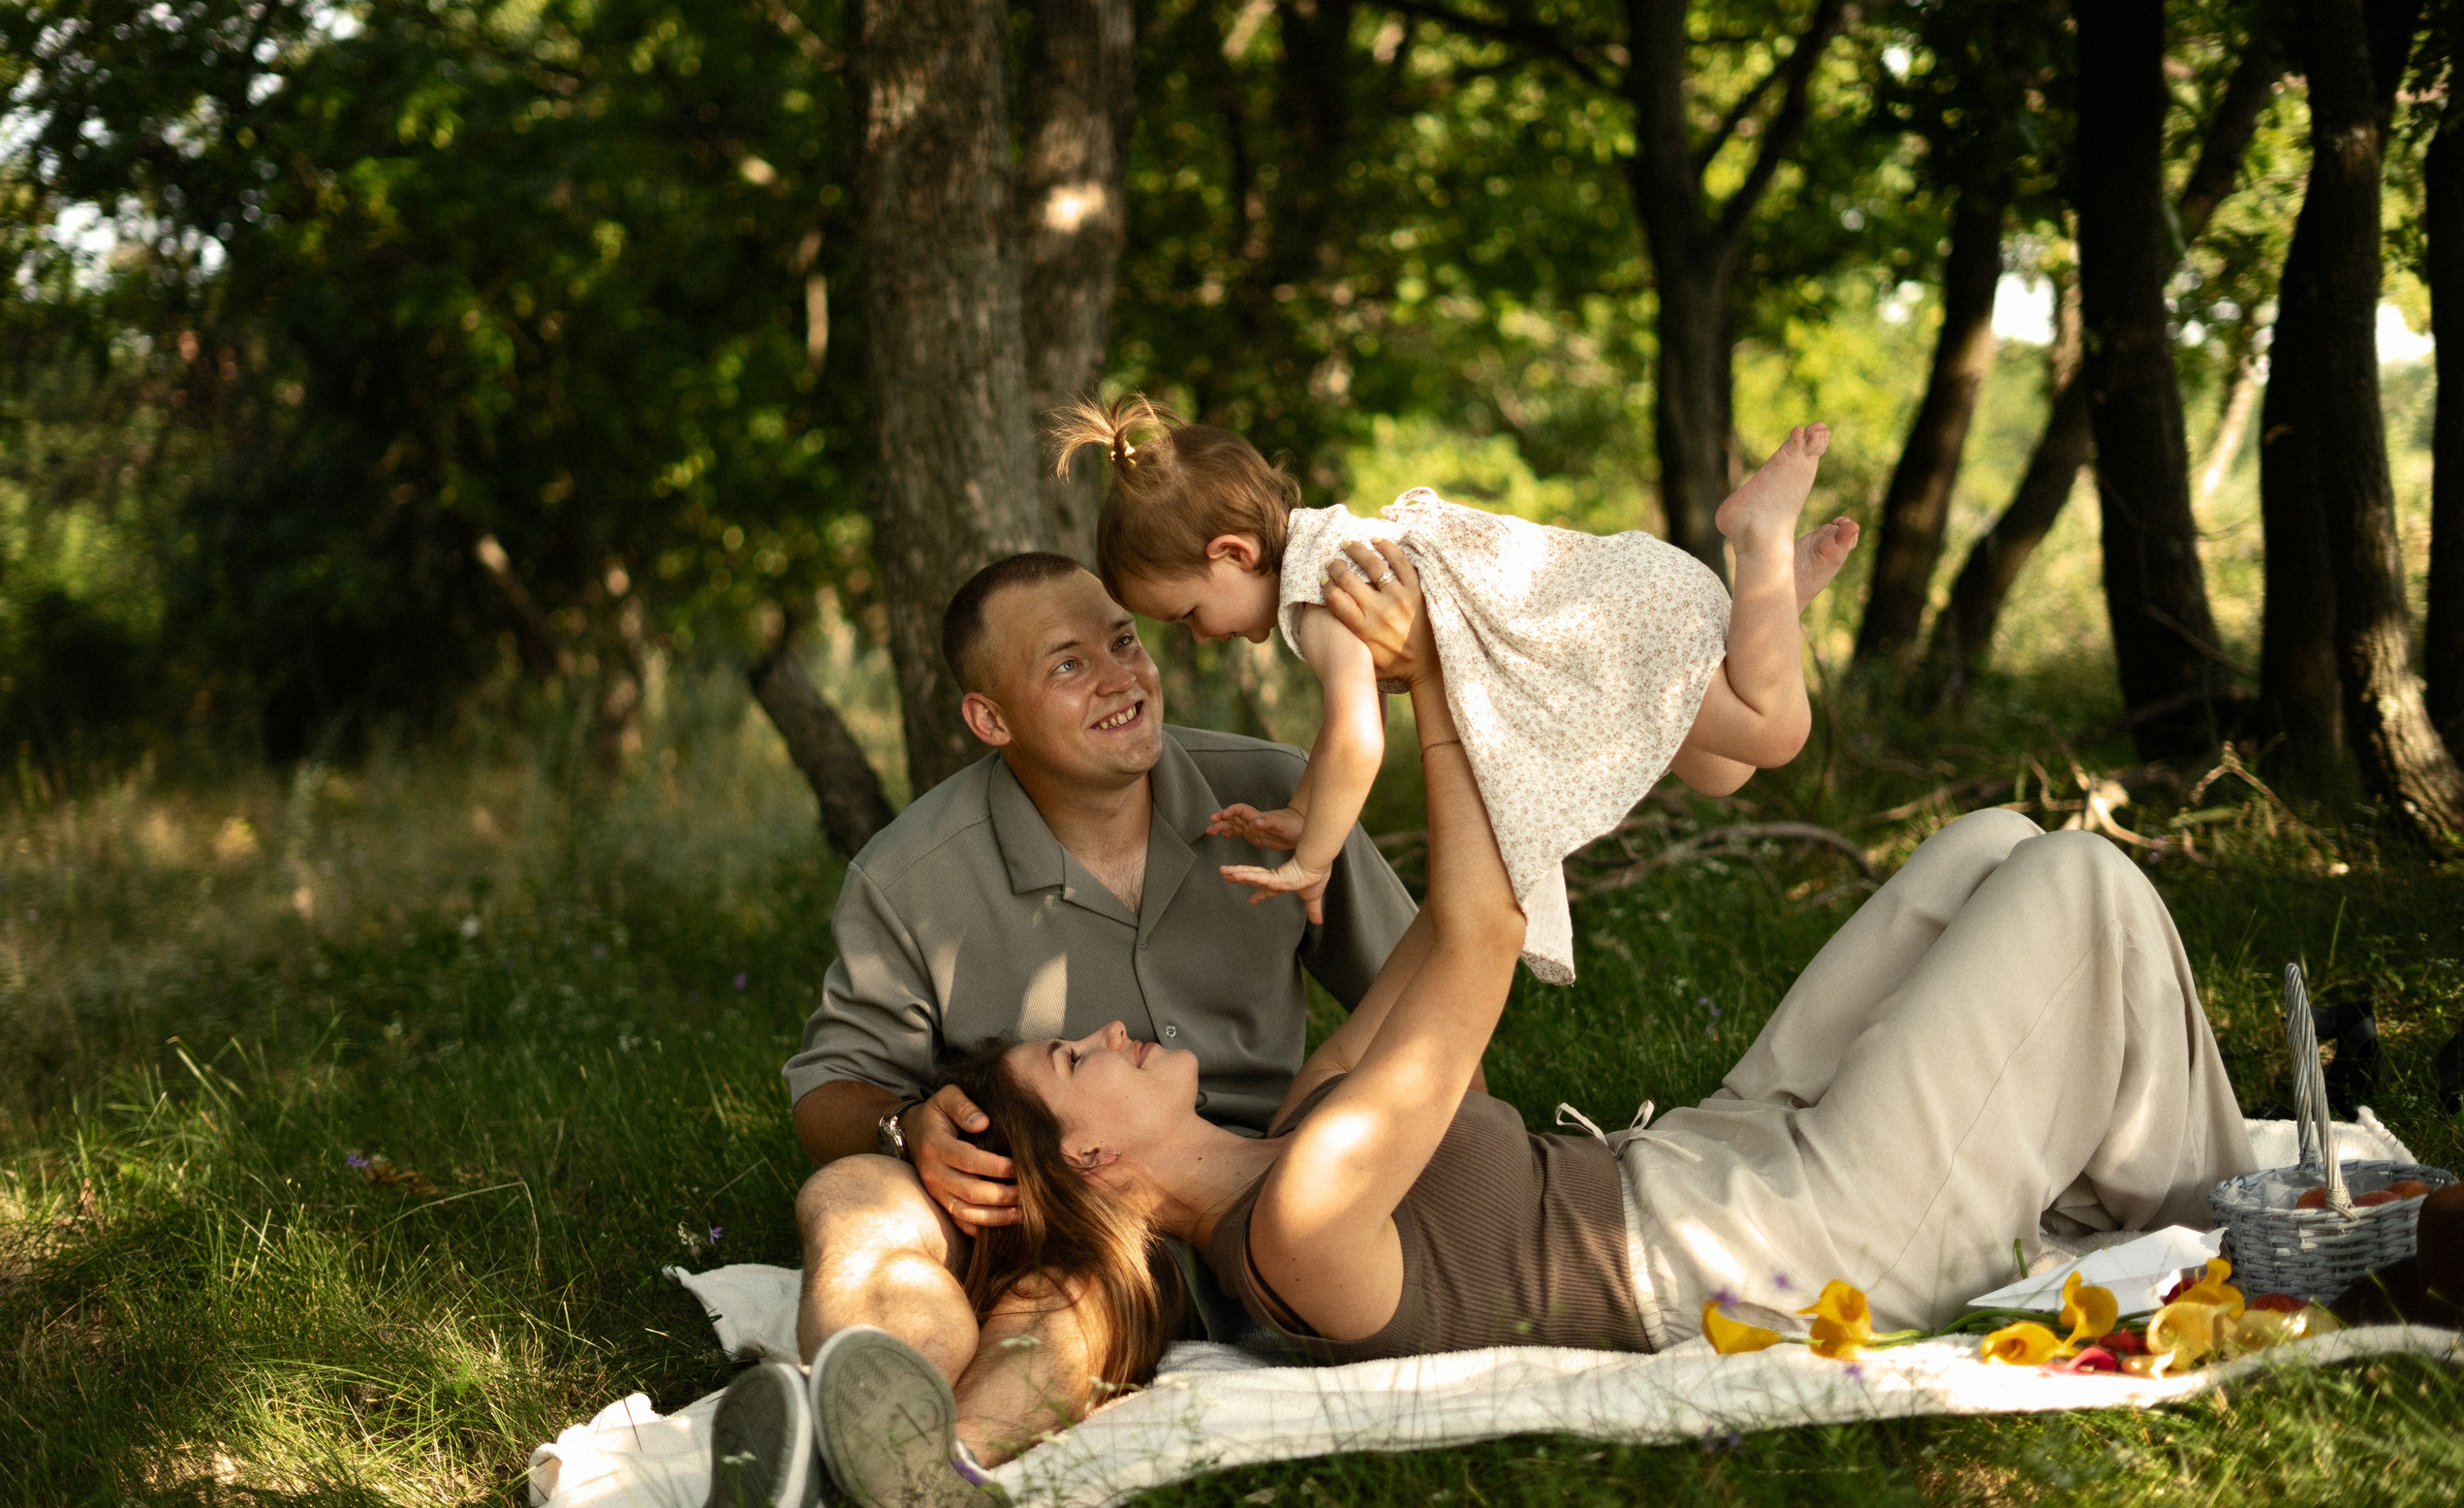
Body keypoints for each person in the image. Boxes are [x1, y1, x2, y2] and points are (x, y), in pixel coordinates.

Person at [753, 559, 2266, 1508]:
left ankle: (2142, 1169)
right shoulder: (1303, 1212)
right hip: (1775, 1243)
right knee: (2078, 879)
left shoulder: (1295, 1135)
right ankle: (2233, 1209)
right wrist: (1438, 689)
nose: (1106, 1030)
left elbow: (1429, 946)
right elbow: (1483, 940)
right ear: (1093, 1150)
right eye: (1077, 1052)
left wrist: (1425, 688)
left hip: (1709, 1155)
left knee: (1989, 843)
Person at [716, 551, 1419, 1508]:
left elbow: (1421, 998)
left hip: (1243, 1196)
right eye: (1067, 665)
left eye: (1124, 642)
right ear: (989, 720)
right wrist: (902, 1129)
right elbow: (830, 1089)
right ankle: (856, 1412)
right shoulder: (909, 875)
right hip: (1025, 1196)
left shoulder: (1281, 792)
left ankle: (910, 1473)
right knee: (850, 1195)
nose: (1121, 676)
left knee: (1095, 1284)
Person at [1045, 394, 1860, 985]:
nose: (1199, 635)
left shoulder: (1322, 590)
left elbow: (1355, 737)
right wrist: (1304, 808)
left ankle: (1760, 546)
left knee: (1775, 732)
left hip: (1604, 625)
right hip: (1601, 617)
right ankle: (1773, 616)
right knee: (1722, 768)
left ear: (1231, 553)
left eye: (1188, 613)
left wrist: (1312, 857)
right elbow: (1340, 742)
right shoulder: (1334, 543)